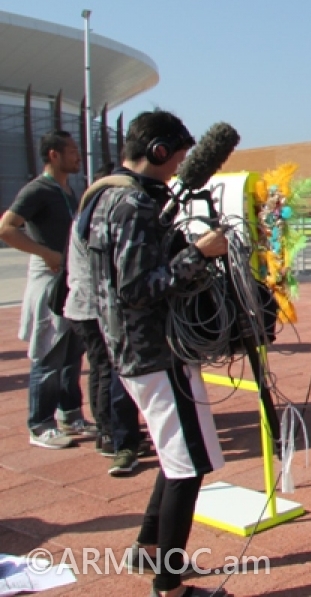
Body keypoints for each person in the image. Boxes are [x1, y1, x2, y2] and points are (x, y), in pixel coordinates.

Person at [85, 110, 229, 597]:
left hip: (131, 350)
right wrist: (198, 255)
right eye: (178, 160)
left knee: (174, 456)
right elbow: (137, 288)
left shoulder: (104, 195)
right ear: (159, 152)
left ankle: (149, 546)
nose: (178, 170)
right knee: (188, 465)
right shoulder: (133, 204)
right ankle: (169, 585)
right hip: (155, 354)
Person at [0, 130, 91, 450]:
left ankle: (71, 415)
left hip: (69, 281)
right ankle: (40, 424)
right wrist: (45, 253)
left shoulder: (67, 190)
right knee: (49, 353)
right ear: (54, 154)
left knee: (71, 354)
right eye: (72, 151)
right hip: (50, 281)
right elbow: (6, 228)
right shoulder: (37, 190)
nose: (78, 156)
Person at [65, 159, 149, 474]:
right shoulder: (98, 216)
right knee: (107, 371)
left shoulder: (88, 213)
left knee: (102, 369)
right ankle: (113, 435)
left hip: (88, 305)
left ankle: (109, 432)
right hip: (92, 307)